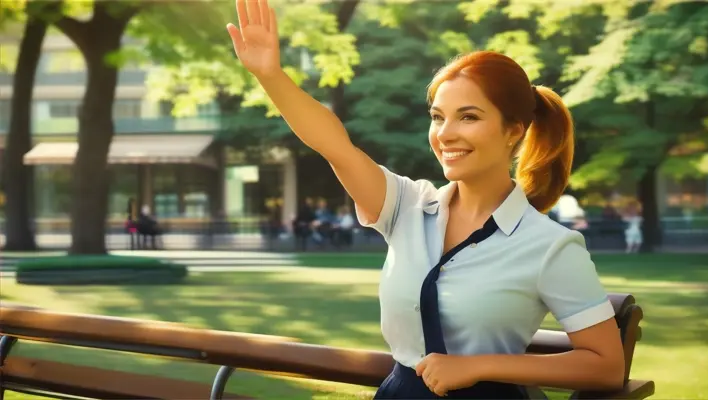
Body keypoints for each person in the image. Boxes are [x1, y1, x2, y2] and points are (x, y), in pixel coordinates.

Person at [227, 1, 624, 398]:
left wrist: (478, 366)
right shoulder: (406, 205)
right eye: (437, 117)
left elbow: (606, 366)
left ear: (512, 131)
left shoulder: (549, 246)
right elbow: (336, 147)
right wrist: (271, 76)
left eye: (468, 117)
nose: (445, 134)